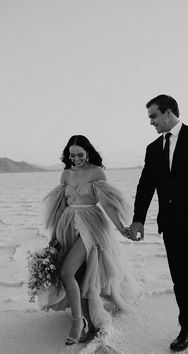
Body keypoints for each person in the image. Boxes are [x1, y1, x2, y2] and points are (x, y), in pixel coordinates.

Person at [128, 94, 188, 354]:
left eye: (153, 116)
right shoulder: (153, 148)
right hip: (171, 228)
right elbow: (145, 186)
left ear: (169, 112)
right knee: (180, 283)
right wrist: (138, 219)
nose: (151, 122)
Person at [43, 135, 132, 346]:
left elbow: (108, 204)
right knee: (80, 274)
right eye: (71, 155)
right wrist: (54, 236)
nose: (75, 159)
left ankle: (78, 322)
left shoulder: (97, 172)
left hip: (91, 225)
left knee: (67, 272)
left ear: (88, 152)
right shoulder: (66, 174)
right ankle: (89, 322)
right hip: (68, 224)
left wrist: (121, 228)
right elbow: (60, 208)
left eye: (80, 154)